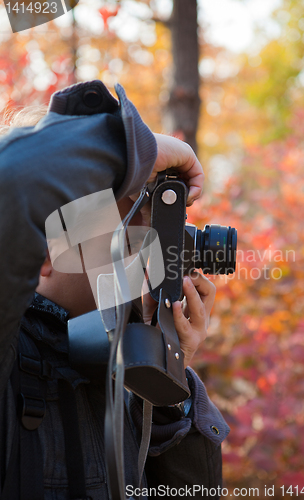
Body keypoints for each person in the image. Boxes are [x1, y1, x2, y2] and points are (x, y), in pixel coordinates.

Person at [0, 80, 229, 499]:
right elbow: (13, 187)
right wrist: (129, 148)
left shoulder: (115, 372)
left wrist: (167, 383)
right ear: (47, 245)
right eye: (128, 233)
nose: (151, 251)